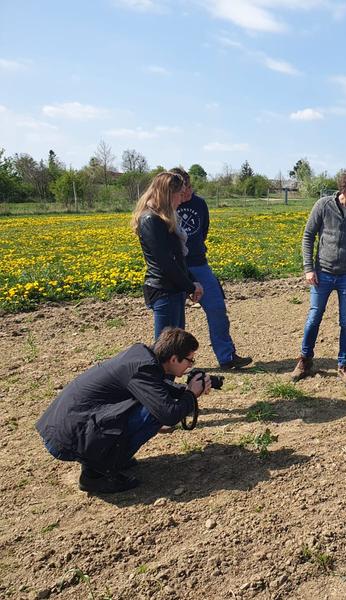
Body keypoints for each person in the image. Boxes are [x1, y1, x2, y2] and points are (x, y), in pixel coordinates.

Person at [36, 328, 211, 494]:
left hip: (65, 430)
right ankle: (97, 474)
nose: (190, 366)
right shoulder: (144, 369)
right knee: (153, 414)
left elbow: (159, 388)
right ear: (174, 359)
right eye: (190, 360)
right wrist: (191, 394)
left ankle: (102, 459)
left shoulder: (141, 358)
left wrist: (185, 391)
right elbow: (169, 414)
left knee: (154, 405)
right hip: (66, 441)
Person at [290, 170, 346, 386]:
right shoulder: (323, 205)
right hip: (323, 273)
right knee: (314, 317)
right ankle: (304, 359)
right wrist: (309, 268)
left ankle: (344, 364)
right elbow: (308, 235)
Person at [172, 168, 252, 370]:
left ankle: (227, 357)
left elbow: (203, 231)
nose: (188, 192)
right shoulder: (167, 207)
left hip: (199, 263)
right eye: (184, 188)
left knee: (217, 307)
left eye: (189, 186)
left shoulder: (199, 204)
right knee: (174, 317)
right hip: (175, 267)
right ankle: (171, 363)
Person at [131, 171, 203, 341]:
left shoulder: (164, 219)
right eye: (180, 194)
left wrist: (191, 281)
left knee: (175, 344)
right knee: (164, 346)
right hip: (163, 290)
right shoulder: (150, 220)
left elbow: (177, 259)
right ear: (169, 194)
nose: (181, 200)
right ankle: (161, 369)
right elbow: (165, 263)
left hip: (174, 289)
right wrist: (191, 286)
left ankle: (173, 369)